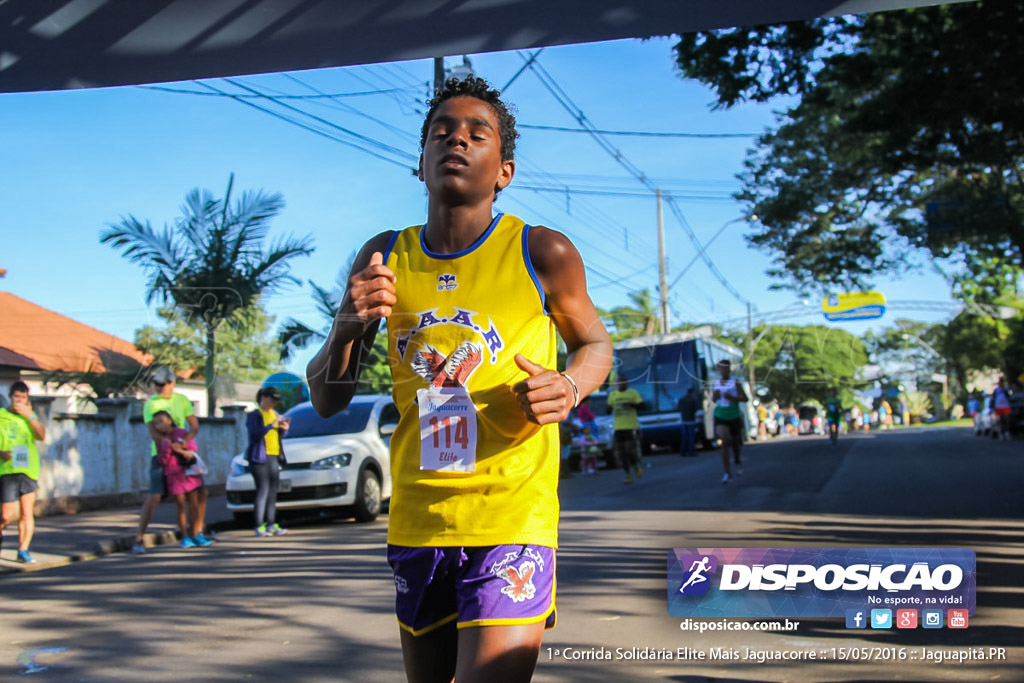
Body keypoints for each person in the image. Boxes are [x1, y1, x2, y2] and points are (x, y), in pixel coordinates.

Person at [305, 76, 612, 683]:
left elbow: (595, 345)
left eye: (478, 133)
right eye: (441, 132)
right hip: (419, 515)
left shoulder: (540, 251)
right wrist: (346, 324)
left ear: (505, 169)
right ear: (419, 163)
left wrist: (570, 386)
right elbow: (326, 397)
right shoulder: (383, 256)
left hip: (511, 513)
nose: (457, 141)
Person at [133, 368, 200, 555]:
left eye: (162, 384)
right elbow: (155, 434)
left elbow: (194, 425)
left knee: (194, 493)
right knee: (155, 495)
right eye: (156, 384)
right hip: (162, 455)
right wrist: (175, 447)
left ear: (172, 383)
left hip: (182, 454)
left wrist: (186, 441)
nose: (158, 387)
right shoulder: (151, 404)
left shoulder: (182, 400)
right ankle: (139, 538)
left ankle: (195, 533)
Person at [0, 382, 47, 563]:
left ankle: (23, 550)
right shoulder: (2, 416)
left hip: (28, 470)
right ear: (11, 397)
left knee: (27, 512)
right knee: (6, 514)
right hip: (6, 471)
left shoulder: (30, 417)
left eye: (23, 398)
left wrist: (31, 417)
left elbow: (42, 436)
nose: (19, 401)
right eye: (16, 397)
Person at [151, 411, 210, 549]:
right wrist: (168, 448)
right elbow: (163, 460)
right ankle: (185, 536)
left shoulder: (182, 433)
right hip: (173, 475)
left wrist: (182, 446)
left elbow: (193, 447)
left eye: (161, 421)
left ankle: (196, 534)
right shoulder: (160, 441)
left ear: (170, 420)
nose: (159, 425)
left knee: (194, 504)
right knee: (181, 506)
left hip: (189, 473)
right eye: (156, 424)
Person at [246, 387, 291, 537]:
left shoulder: (275, 414)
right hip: (259, 457)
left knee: (273, 492)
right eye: (271, 400)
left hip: (273, 456)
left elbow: (278, 436)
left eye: (275, 401)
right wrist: (270, 426)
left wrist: (284, 429)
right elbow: (254, 434)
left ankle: (271, 523)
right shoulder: (255, 415)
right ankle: (259, 525)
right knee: (262, 490)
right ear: (263, 398)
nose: (273, 404)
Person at [712, 360, 748, 484]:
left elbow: (745, 398)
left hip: (734, 416)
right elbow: (713, 399)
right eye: (721, 369)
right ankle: (727, 472)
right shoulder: (716, 383)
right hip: (721, 415)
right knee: (725, 441)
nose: (723, 371)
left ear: (729, 369)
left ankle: (737, 458)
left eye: (725, 368)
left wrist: (733, 398)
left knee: (735, 443)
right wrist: (715, 396)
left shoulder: (735, 382)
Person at [607, 378, 644, 483]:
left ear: (626, 383)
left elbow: (643, 406)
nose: (620, 385)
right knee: (622, 453)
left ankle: (636, 466)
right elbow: (608, 410)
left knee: (629, 450)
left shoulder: (633, 393)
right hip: (618, 428)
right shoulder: (613, 395)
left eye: (622, 382)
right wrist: (610, 408)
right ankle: (627, 474)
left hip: (630, 427)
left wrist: (630, 404)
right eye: (619, 383)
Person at [677, 386, 699, 457]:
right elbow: (696, 408)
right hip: (691, 421)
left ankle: (683, 452)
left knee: (684, 437)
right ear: (692, 392)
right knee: (691, 437)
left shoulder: (681, 399)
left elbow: (679, 408)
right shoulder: (693, 399)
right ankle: (691, 451)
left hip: (683, 421)